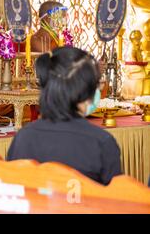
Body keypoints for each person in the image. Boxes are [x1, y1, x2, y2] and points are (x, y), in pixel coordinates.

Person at [7, 47, 122, 185]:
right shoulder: (101, 142)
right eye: (96, 85)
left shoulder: (23, 138)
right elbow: (115, 200)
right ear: (84, 91)